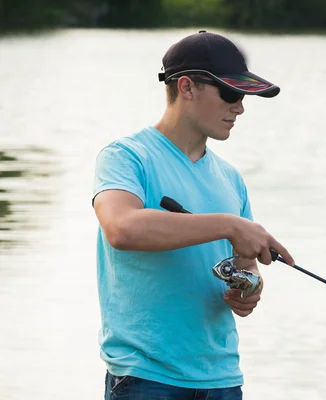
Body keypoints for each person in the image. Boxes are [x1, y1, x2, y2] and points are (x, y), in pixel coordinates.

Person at [92, 30, 295, 400]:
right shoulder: (126, 157)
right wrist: (229, 224)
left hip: (222, 380)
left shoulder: (231, 179)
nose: (240, 108)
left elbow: (245, 267)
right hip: (146, 379)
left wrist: (249, 289)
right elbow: (121, 228)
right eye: (231, 94)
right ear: (186, 87)